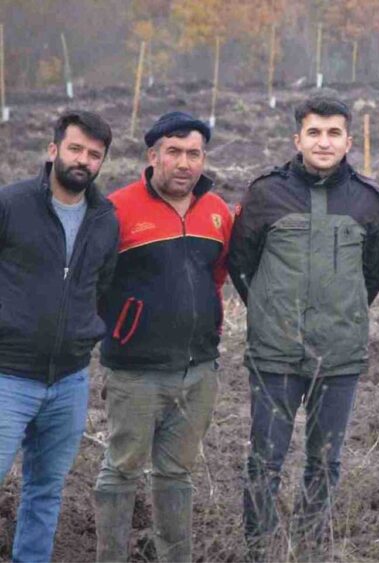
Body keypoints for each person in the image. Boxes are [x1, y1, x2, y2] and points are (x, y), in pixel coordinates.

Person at [228, 93, 379, 560]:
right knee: (265, 461)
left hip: (338, 356)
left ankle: (311, 548)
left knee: (325, 461)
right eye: (314, 132)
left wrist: (341, 313)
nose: (324, 142)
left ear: (348, 141)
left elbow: (372, 274)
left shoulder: (367, 200)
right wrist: (271, 313)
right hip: (275, 354)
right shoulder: (265, 195)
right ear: (297, 139)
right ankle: (260, 549)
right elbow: (242, 265)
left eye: (334, 133)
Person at [92, 111, 231, 562]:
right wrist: (121, 329)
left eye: (194, 154)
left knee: (177, 474)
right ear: (153, 156)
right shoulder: (117, 209)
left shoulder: (216, 211)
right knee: (121, 470)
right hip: (136, 372)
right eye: (174, 152)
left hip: (198, 372)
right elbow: (96, 283)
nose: (184, 163)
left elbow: (216, 276)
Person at [0, 110, 119, 563]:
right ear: (53, 150)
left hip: (69, 381)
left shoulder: (105, 219)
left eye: (94, 154)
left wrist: (84, 336)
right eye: (75, 149)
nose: (83, 160)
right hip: (7, 375)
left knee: (46, 490)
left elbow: (101, 286)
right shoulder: (11, 205)